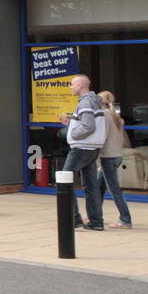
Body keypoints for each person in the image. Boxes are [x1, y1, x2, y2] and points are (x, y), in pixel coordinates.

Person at [58, 74, 105, 231]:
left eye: (72, 84)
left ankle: (74, 218)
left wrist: (72, 133)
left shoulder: (85, 102)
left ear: (80, 86)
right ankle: (96, 221)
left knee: (64, 181)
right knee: (91, 185)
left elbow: (88, 126)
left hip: (81, 148)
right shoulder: (94, 102)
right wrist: (70, 123)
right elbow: (88, 124)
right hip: (92, 149)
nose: (70, 87)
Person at [96, 90, 133, 229]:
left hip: (108, 157)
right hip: (117, 155)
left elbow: (102, 137)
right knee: (100, 185)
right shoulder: (115, 116)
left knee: (114, 189)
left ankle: (125, 218)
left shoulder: (104, 115)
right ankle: (94, 213)